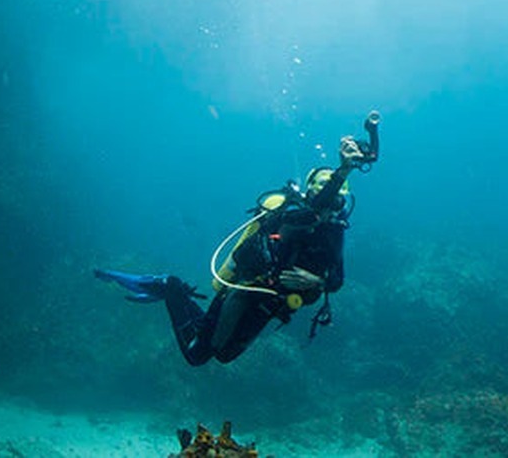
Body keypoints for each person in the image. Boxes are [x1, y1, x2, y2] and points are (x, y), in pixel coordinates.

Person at [96, 112, 380, 365]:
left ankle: (176, 293)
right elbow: (313, 211)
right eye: (327, 191)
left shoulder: (335, 230)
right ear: (312, 193)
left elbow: (337, 279)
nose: (335, 202)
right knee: (198, 355)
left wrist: (317, 281)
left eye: (341, 195)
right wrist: (342, 169)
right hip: (245, 291)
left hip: (273, 304)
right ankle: (169, 286)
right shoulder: (293, 215)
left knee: (224, 356)